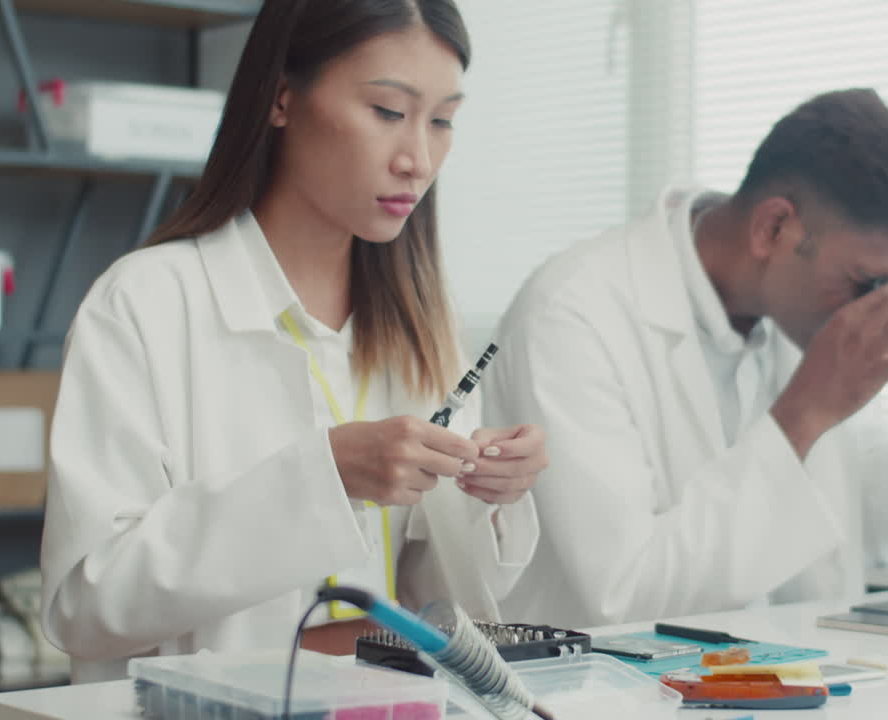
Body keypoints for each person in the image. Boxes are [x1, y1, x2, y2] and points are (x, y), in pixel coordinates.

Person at [40, 0, 546, 683]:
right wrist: (322, 478)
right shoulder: (144, 304)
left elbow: (448, 597)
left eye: (443, 121)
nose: (418, 160)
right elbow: (84, 605)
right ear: (282, 98)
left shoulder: (421, 324)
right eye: (388, 113)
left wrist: (489, 491)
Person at [483, 88, 888, 629]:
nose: (877, 308)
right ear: (773, 228)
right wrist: (805, 413)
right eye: (868, 282)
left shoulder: (801, 317)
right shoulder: (573, 309)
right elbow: (624, 591)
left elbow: (874, 533)